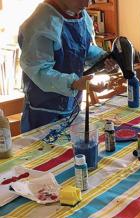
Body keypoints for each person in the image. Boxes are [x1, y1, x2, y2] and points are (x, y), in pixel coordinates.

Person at [18, 0, 116, 133]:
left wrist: (103, 58)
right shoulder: (42, 23)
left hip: (73, 104)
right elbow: (40, 70)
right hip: (44, 110)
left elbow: (83, 50)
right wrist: (74, 83)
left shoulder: (82, 16)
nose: (86, 5)